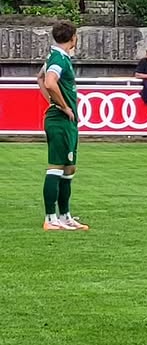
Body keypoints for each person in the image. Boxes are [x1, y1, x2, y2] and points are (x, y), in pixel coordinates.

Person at [38, 21, 89, 231]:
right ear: (73, 38)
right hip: (60, 120)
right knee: (56, 167)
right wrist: (62, 105)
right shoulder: (59, 58)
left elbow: (40, 78)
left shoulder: (56, 57)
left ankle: (65, 216)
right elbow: (49, 81)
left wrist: (52, 101)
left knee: (69, 168)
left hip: (66, 122)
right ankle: (50, 218)